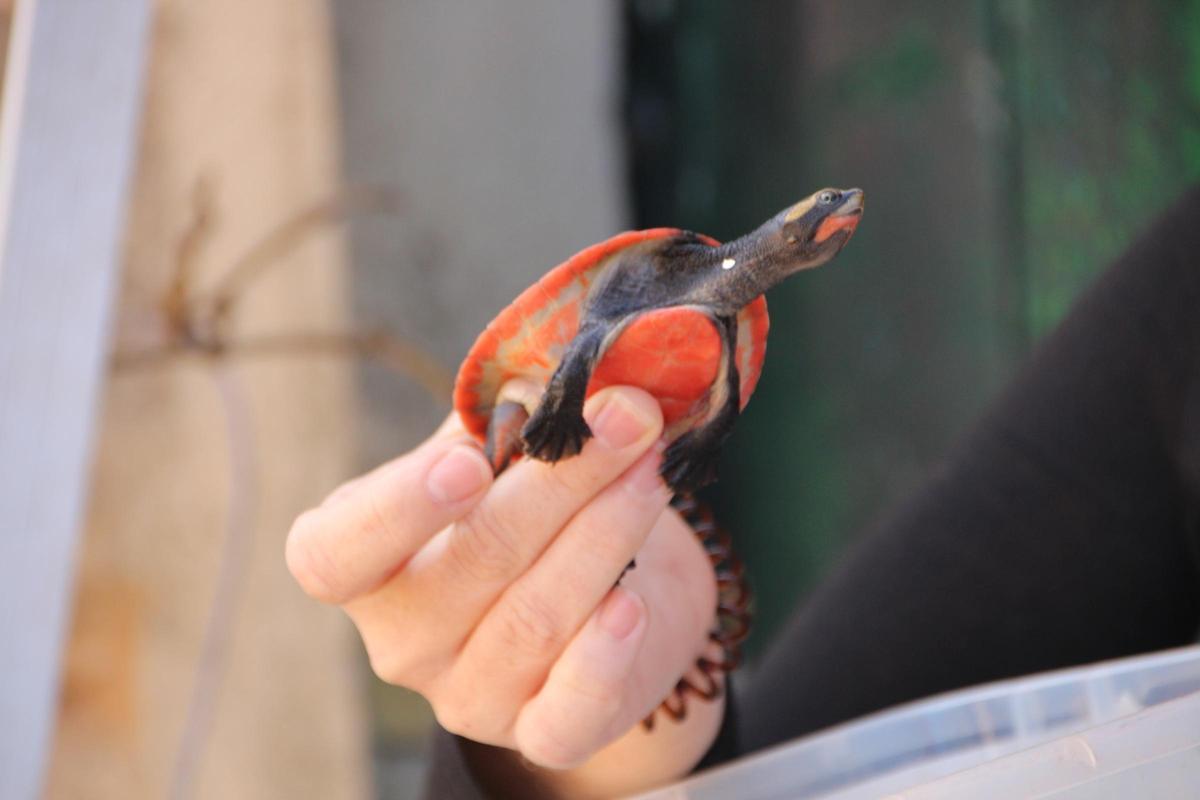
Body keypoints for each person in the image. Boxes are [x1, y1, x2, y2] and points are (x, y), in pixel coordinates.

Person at [285, 187, 1200, 799]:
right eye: (823, 218)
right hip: (570, 400)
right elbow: (594, 331)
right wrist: (609, 720)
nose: (839, 220)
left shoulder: (733, 326)